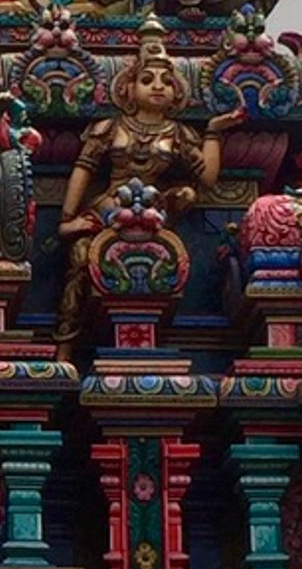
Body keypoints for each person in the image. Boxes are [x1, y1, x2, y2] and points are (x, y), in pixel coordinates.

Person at [55, 21, 237, 362]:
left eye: (167, 82)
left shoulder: (179, 133)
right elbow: (84, 169)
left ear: (178, 92)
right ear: (128, 87)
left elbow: (208, 178)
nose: (158, 87)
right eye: (148, 80)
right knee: (80, 258)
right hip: (109, 209)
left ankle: (151, 343)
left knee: (178, 216)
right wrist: (68, 220)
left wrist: (213, 132)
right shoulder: (110, 127)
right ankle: (64, 348)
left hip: (153, 215)